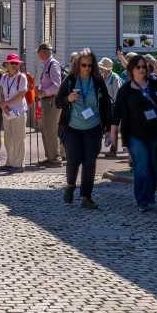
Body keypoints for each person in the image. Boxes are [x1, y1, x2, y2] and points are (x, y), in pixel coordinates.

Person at [115, 54, 157, 211]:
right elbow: (116, 114)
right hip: (135, 135)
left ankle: (149, 193)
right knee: (142, 166)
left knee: (155, 166)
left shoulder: (154, 84)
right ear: (132, 69)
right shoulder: (125, 90)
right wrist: (112, 135)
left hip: (155, 132)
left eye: (144, 67)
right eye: (139, 67)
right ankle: (143, 200)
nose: (142, 69)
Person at [57, 50, 111, 208]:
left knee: (90, 162)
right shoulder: (70, 80)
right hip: (72, 127)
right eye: (83, 65)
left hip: (93, 127)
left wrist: (108, 128)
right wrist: (68, 98)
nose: (87, 68)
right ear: (77, 65)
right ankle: (70, 185)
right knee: (73, 159)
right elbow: (57, 102)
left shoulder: (97, 80)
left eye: (90, 65)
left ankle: (86, 197)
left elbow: (106, 104)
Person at [0, 53, 31, 173]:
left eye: (16, 63)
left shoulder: (22, 77)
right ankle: (10, 162)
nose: (15, 65)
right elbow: (1, 92)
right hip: (6, 112)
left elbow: (21, 94)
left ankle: (18, 165)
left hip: (18, 112)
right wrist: (3, 105)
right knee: (8, 139)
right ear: (7, 64)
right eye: (12, 63)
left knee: (18, 138)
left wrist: (6, 104)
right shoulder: (4, 77)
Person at [34, 44, 65, 167]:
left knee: (51, 130)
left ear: (43, 52)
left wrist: (43, 92)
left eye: (38, 52)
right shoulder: (47, 64)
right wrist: (40, 90)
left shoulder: (53, 64)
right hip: (47, 100)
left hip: (52, 100)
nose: (37, 55)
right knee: (45, 129)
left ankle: (55, 158)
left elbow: (57, 86)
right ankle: (50, 157)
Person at [99, 57, 123, 156]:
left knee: (113, 127)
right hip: (103, 105)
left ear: (107, 68)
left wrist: (116, 107)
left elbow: (118, 94)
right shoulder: (102, 77)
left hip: (113, 105)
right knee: (104, 125)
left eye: (102, 67)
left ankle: (113, 149)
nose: (100, 69)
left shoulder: (114, 78)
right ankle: (106, 141)